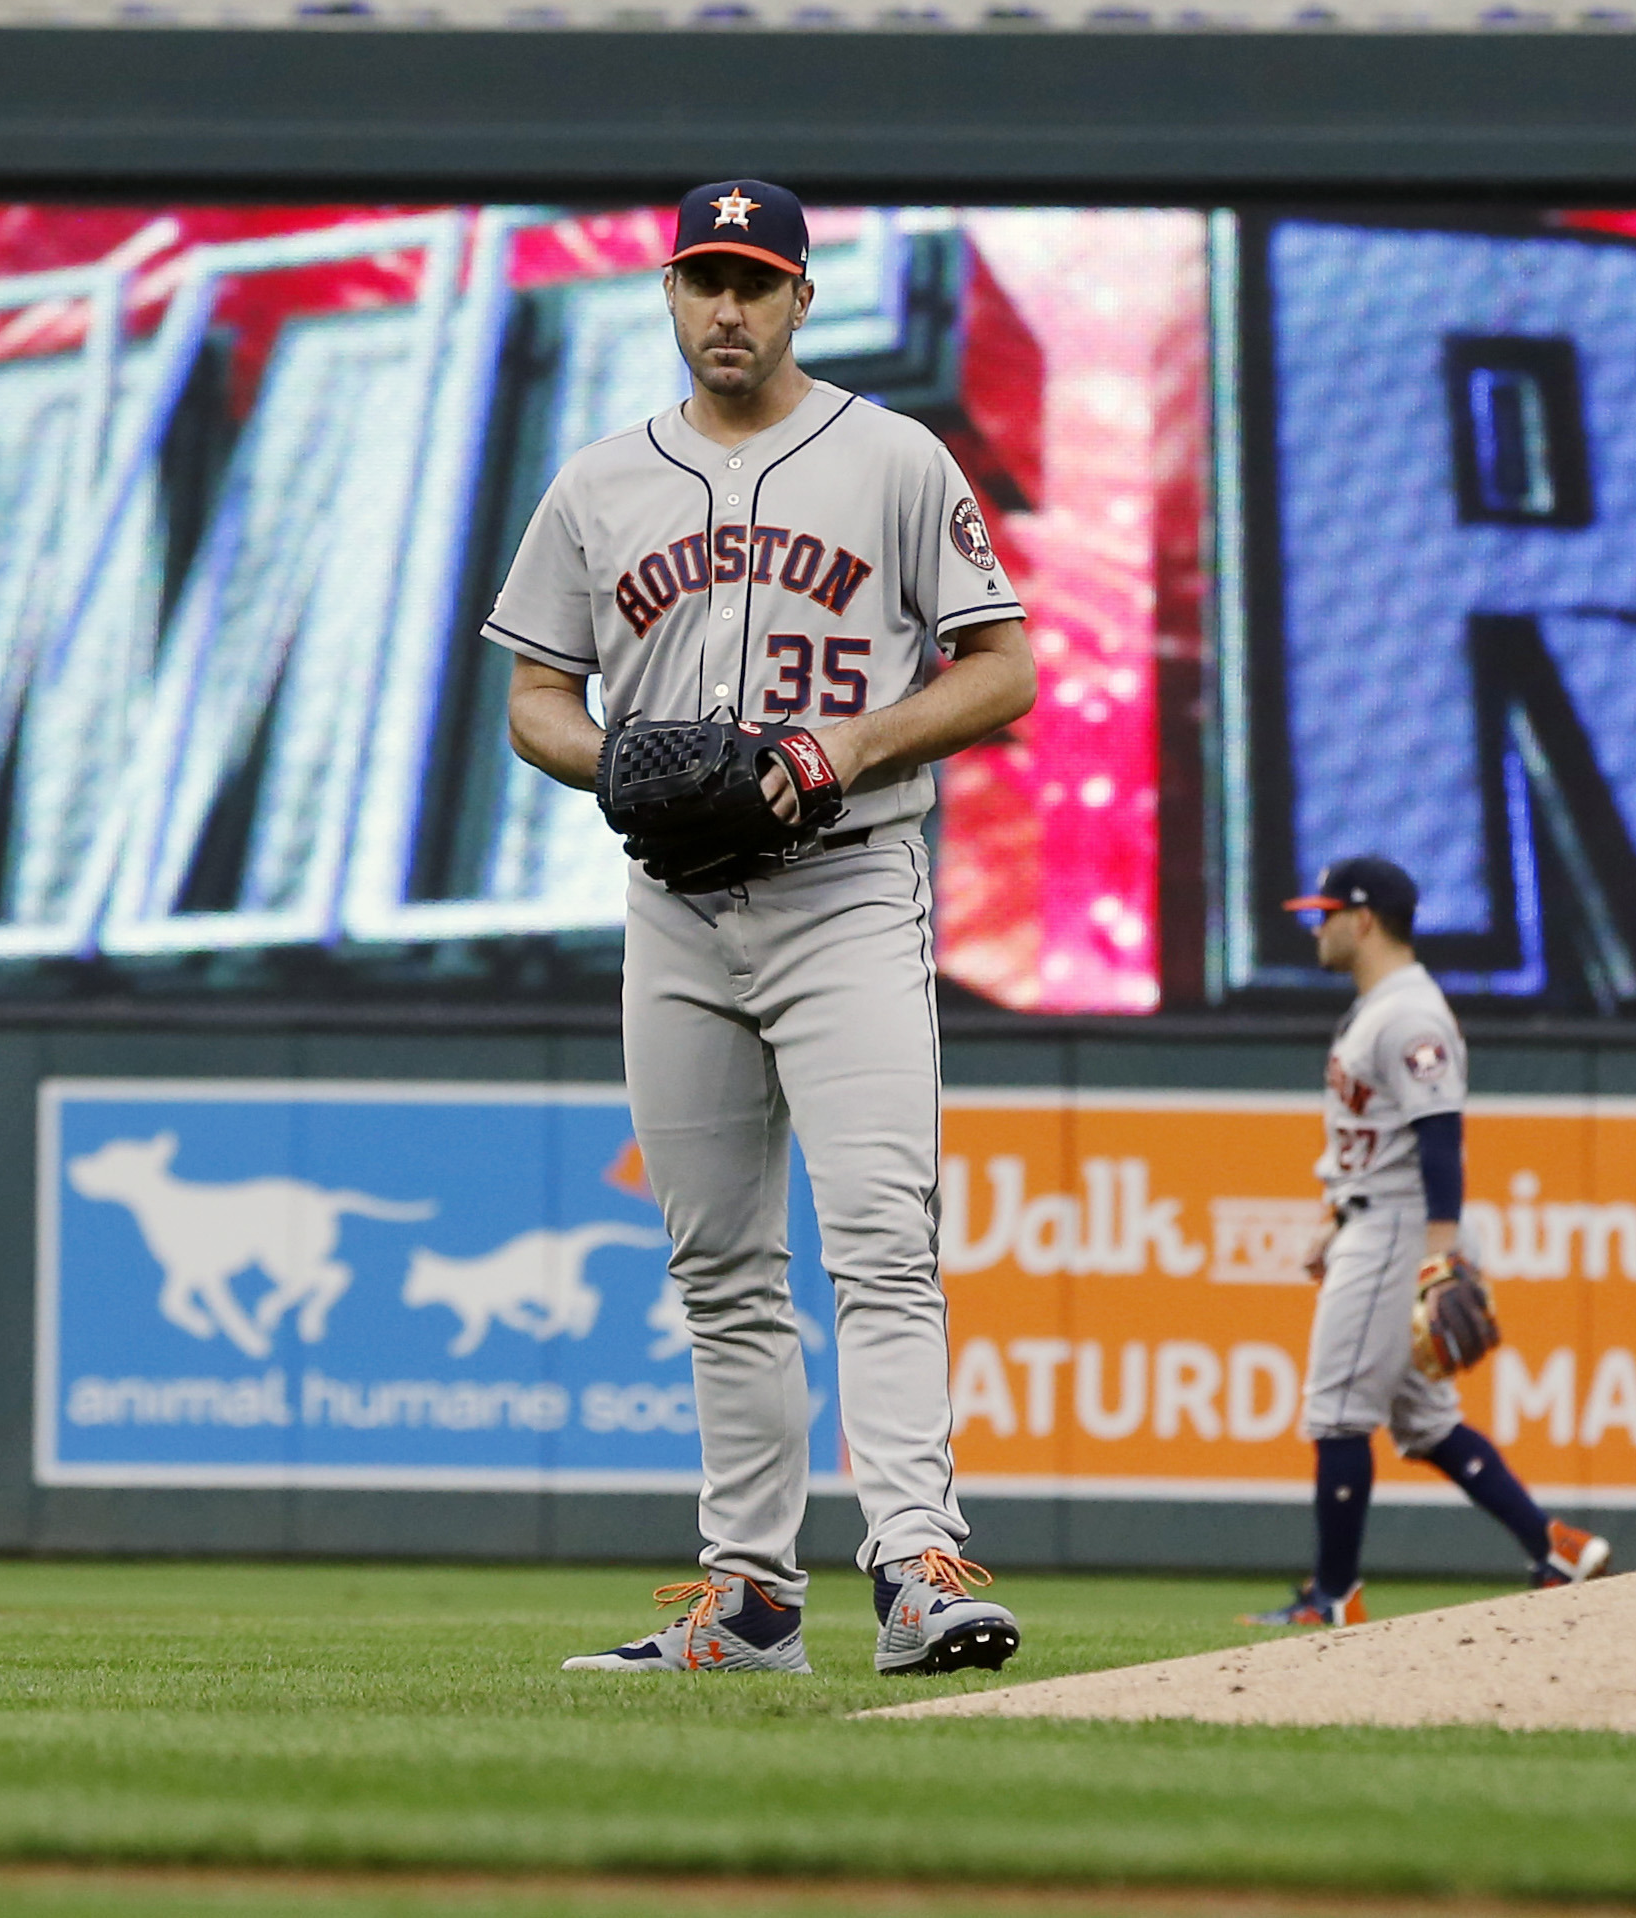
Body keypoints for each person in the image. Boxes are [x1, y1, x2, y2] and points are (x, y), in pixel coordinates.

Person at [484, 179, 1034, 1676]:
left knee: (877, 1239)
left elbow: (1001, 668)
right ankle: (751, 1601)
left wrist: (841, 749)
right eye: (701, 278)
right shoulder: (601, 481)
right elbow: (535, 693)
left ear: (802, 299)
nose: (726, 306)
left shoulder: (891, 459)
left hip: (846, 886)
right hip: (673, 903)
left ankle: (916, 1558)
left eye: (755, 280)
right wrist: (622, 757)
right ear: (667, 294)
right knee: (717, 1264)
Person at [1245, 855, 1613, 1628]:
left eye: (1326, 912)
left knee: (1337, 1414)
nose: (1318, 926)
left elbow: (1440, 1137)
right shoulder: (1383, 1006)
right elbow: (1378, 1137)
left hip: (1399, 1229)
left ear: (1364, 918)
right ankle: (1556, 1547)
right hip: (1374, 1216)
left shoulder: (1410, 1014)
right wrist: (1334, 1218)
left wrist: (1439, 1256)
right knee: (1426, 1421)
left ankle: (1333, 1599)